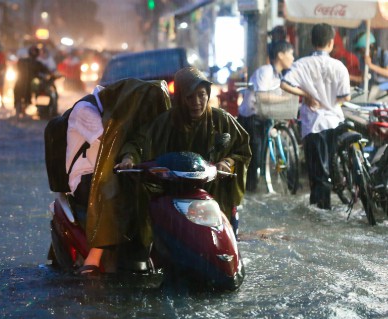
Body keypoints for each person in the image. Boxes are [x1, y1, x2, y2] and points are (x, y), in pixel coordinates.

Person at [116, 66, 251, 242]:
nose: (196, 102)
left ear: (208, 94)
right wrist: (129, 158)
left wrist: (227, 162)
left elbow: (243, 149)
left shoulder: (222, 120)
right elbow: (137, 142)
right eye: (190, 96)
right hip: (173, 192)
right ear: (180, 98)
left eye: (201, 95)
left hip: (212, 192)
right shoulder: (164, 123)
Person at [281, 23, 351, 210]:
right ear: (330, 43)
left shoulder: (302, 64)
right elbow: (346, 96)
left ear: (312, 42)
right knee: (330, 169)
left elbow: (284, 84)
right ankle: (324, 207)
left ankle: (321, 211)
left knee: (318, 173)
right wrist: (331, 100)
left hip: (314, 125)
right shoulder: (339, 66)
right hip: (335, 122)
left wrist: (307, 95)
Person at [238, 41, 295, 192]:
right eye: (291, 54)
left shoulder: (280, 75)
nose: (293, 58)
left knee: (263, 154)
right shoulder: (265, 71)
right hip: (251, 118)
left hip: (265, 117)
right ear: (280, 55)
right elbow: (262, 96)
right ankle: (250, 190)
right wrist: (286, 99)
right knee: (254, 157)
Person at [66, 85, 105, 274]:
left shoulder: (107, 109)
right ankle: (94, 257)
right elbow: (109, 139)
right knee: (115, 192)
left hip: (105, 171)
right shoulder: (86, 110)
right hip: (84, 177)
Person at [13, 45, 50, 117]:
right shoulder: (23, 61)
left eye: (35, 51)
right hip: (22, 82)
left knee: (28, 94)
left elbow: (45, 70)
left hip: (29, 83)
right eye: (32, 51)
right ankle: (19, 110)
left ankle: (23, 110)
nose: (33, 53)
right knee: (19, 94)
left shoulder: (37, 63)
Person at [355, 32, 388, 100]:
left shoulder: (384, 54)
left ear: (371, 46)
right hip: (369, 87)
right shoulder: (363, 59)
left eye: (362, 51)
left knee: (374, 90)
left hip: (384, 87)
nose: (362, 54)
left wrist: (371, 65)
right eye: (360, 52)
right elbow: (363, 77)